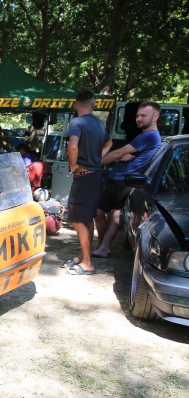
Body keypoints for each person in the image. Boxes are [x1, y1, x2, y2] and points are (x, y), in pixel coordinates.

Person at [92, 102, 161, 258]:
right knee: (114, 214)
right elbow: (127, 156)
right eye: (137, 115)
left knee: (97, 212)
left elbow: (118, 153)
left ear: (155, 117)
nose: (138, 118)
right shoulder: (151, 137)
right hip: (124, 179)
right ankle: (103, 248)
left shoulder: (148, 136)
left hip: (120, 181)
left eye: (143, 115)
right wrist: (124, 158)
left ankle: (101, 244)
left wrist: (94, 164)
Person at [62, 91, 113, 275]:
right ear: (93, 106)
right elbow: (109, 143)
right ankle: (84, 256)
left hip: (83, 177)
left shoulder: (76, 122)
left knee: (76, 220)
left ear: (76, 105)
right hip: (95, 176)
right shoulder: (99, 123)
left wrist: (73, 165)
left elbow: (73, 145)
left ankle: (88, 264)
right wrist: (98, 158)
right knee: (86, 218)